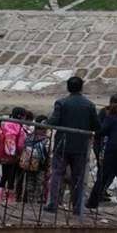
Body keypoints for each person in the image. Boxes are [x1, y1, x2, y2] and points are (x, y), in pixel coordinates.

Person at [45, 76, 100, 215]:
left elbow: (53, 122)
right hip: (81, 145)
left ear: (68, 87)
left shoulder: (61, 103)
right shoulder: (89, 105)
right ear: (81, 88)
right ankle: (77, 207)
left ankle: (53, 203)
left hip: (62, 144)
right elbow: (96, 126)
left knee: (57, 174)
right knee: (78, 177)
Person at [86, 104, 117, 211]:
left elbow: (102, 131)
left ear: (109, 111)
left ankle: (92, 202)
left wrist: (93, 133)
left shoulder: (109, 118)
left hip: (114, 150)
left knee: (103, 175)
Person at [93, 94, 117, 201]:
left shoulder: (113, 114)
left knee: (109, 170)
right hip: (102, 145)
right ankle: (98, 193)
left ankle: (102, 190)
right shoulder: (104, 113)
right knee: (103, 170)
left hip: (109, 145)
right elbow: (99, 129)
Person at [0, 107, 27, 203]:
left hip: (3, 153)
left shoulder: (5, 124)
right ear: (21, 116)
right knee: (11, 177)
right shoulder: (19, 127)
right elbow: (20, 144)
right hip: (14, 155)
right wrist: (20, 153)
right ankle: (10, 198)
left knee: (4, 175)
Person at [19, 115, 50, 204]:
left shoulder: (30, 136)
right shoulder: (46, 139)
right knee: (39, 183)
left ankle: (29, 200)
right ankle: (36, 202)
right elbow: (48, 152)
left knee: (29, 181)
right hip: (41, 165)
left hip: (29, 163)